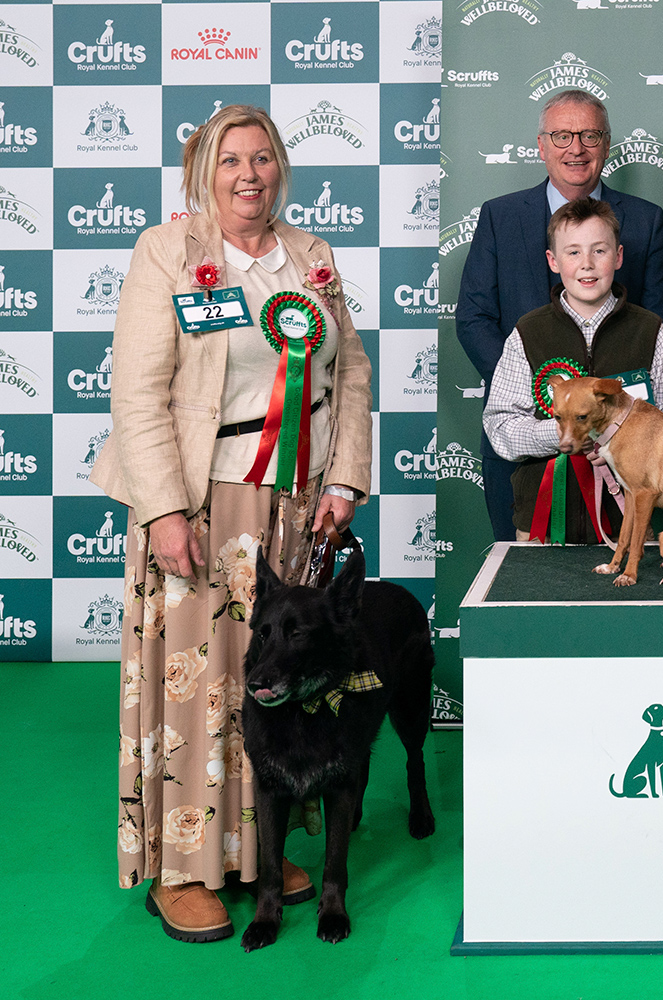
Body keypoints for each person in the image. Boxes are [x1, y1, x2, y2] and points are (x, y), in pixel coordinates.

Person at [91, 104, 374, 941]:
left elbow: (349, 374)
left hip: (293, 505)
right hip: (204, 496)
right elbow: (138, 393)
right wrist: (165, 510)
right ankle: (182, 867)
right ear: (203, 173)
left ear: (281, 166)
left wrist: (346, 479)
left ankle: (256, 850)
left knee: (277, 685)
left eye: (263, 159)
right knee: (201, 684)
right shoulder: (167, 251)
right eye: (231, 162)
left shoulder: (310, 257)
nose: (249, 175)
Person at [458, 90, 663, 540]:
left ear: (607, 144)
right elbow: (473, 318)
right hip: (527, 453)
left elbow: (660, 326)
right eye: (561, 135)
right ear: (541, 145)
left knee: (629, 578)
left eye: (589, 135)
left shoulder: (645, 218)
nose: (575, 148)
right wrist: (543, 397)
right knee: (524, 578)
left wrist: (605, 419)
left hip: (623, 450)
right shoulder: (499, 216)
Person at [482, 197, 663, 541]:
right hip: (542, 522)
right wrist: (568, 435)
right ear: (553, 260)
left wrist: (619, 441)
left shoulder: (649, 329)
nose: (587, 265)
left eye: (600, 251)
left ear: (619, 256)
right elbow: (500, 425)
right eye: (573, 252)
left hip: (632, 520)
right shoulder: (527, 332)